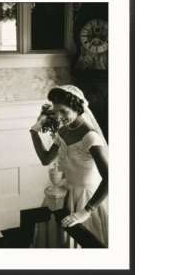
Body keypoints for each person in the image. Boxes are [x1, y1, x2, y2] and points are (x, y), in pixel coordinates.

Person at [29, 85, 108, 247]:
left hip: (87, 198)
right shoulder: (63, 131)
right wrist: (34, 131)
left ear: (78, 108)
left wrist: (85, 212)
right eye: (56, 111)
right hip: (66, 193)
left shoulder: (90, 137)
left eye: (64, 111)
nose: (59, 116)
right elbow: (45, 159)